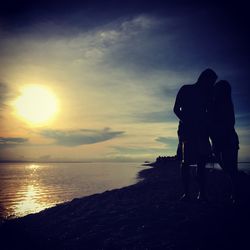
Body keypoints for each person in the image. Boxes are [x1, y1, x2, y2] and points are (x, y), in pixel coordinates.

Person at [173, 69, 218, 201]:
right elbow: (176, 109)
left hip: (202, 131)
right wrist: (187, 120)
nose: (212, 85)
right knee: (185, 162)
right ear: (204, 79)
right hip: (187, 131)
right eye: (211, 82)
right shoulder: (186, 89)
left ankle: (202, 193)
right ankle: (187, 193)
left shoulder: (208, 94)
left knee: (201, 162)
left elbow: (210, 113)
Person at [210, 80, 239, 203]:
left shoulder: (226, 104)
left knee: (231, 168)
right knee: (227, 167)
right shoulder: (213, 104)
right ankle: (235, 191)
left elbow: (230, 123)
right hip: (219, 140)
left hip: (228, 139)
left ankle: (236, 194)